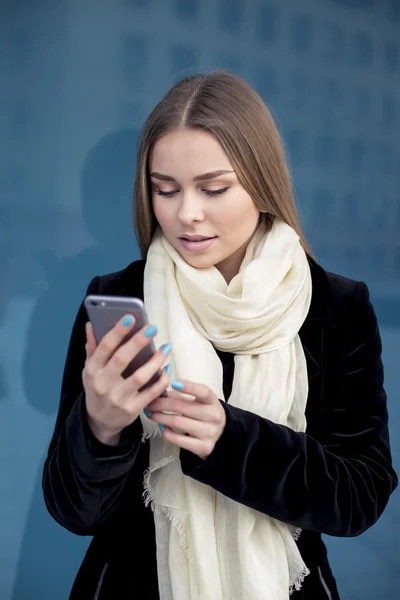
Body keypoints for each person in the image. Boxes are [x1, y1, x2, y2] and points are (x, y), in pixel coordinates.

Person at [43, 71, 398, 600]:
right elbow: (75, 512)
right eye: (166, 189)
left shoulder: (337, 307)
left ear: (261, 179)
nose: (186, 213)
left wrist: (232, 442)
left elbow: (359, 496)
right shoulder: (122, 298)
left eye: (214, 188)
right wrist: (100, 426)